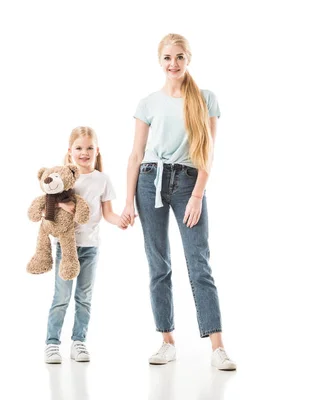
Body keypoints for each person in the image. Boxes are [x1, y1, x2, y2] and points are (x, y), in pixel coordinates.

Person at [120, 33, 237, 371]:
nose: (174, 64)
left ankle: (217, 346)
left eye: (180, 57)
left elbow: (208, 152)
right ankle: (167, 340)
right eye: (168, 58)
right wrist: (128, 201)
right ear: (160, 62)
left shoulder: (205, 98)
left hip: (188, 183)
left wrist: (198, 194)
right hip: (149, 181)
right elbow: (136, 155)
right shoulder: (148, 103)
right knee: (159, 265)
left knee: (199, 264)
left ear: (188, 60)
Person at [44, 126, 125, 364]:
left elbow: (107, 213)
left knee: (84, 297)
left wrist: (119, 220)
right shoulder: (64, 178)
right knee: (62, 296)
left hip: (90, 248)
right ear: (70, 151)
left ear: (97, 151)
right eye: (79, 148)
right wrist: (64, 207)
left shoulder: (102, 180)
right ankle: (52, 344)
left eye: (90, 148)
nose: (84, 152)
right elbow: (50, 202)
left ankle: (79, 342)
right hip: (66, 247)